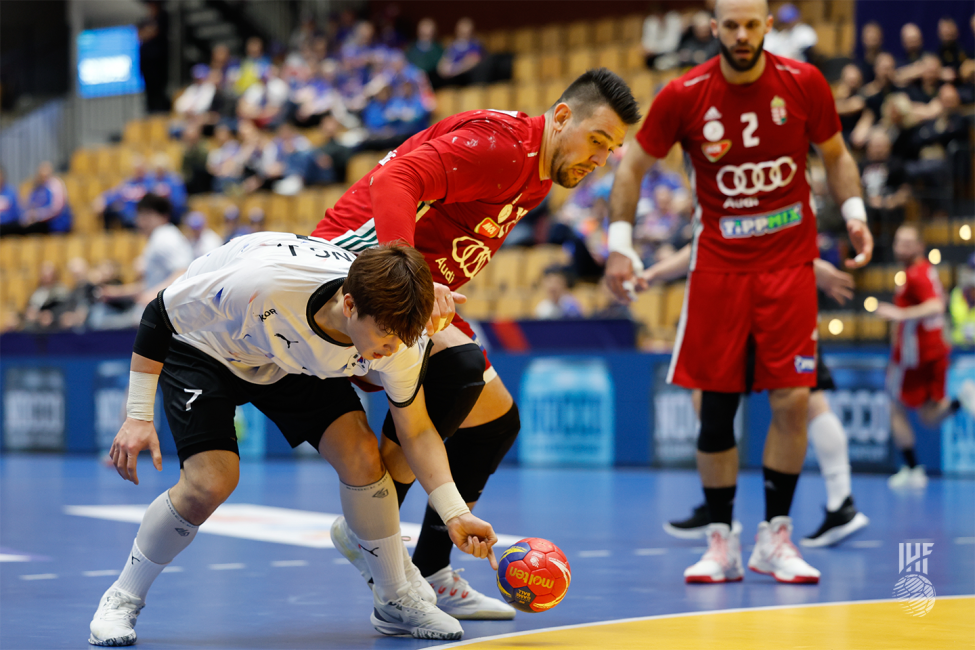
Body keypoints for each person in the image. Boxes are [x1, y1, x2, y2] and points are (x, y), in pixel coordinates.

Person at [312, 68, 640, 617]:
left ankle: (432, 568)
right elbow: (393, 183)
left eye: (612, 150)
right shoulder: (503, 150)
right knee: (459, 371)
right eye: (597, 141)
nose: (600, 159)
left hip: (410, 288)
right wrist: (407, 280)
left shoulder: (539, 172)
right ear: (561, 118)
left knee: (495, 421)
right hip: (355, 279)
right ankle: (370, 531)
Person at [87, 236, 498, 645]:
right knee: (210, 482)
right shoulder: (263, 284)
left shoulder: (399, 340)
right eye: (385, 337)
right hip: (208, 347)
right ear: (350, 305)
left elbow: (416, 430)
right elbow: (159, 312)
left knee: (361, 455)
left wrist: (454, 512)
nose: (390, 351)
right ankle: (122, 597)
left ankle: (394, 598)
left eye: (400, 342)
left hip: (286, 359)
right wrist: (138, 414)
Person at [604, 0, 873, 585]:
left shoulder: (805, 83)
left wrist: (854, 213)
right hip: (718, 272)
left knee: (793, 400)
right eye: (732, 25)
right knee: (717, 408)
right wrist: (621, 244)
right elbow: (630, 170)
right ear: (713, 28)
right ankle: (720, 542)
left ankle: (775, 536)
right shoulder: (684, 94)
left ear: (769, 26)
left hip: (789, 268)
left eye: (753, 24)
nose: (743, 34)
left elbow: (836, 155)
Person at [643, 245, 871, 547]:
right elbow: (714, 238)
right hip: (762, 292)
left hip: (773, 296)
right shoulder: (721, 219)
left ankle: (833, 504)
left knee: (801, 399)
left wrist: (810, 264)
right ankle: (721, 507)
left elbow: (774, 228)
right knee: (719, 398)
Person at [875, 224, 975, 489]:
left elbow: (936, 305)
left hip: (913, 355)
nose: (900, 248)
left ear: (920, 246)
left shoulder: (916, 275)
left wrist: (901, 315)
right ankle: (960, 401)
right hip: (935, 350)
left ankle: (912, 469)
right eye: (898, 242)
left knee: (896, 405)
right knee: (929, 416)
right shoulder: (924, 271)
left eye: (907, 243)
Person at [98, 194, 193, 318]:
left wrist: (154, 296)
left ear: (163, 217)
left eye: (146, 216)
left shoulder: (164, 237)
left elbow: (184, 272)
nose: (140, 222)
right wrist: (116, 293)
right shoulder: (157, 239)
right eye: (140, 216)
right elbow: (150, 284)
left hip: (168, 315)